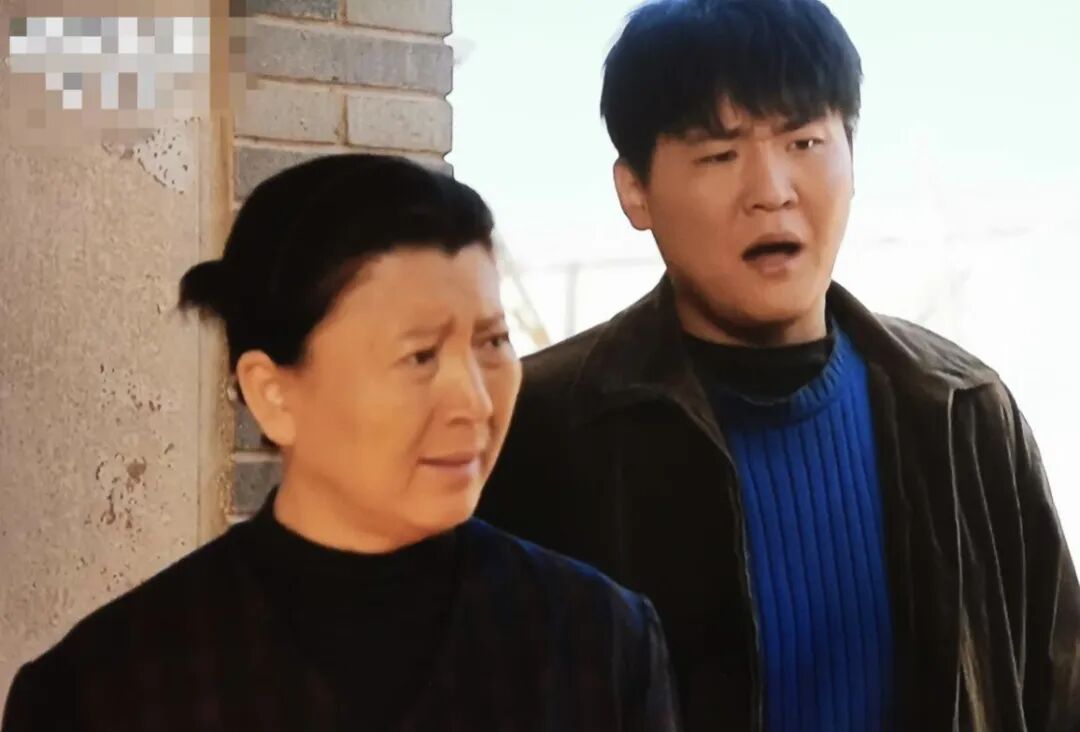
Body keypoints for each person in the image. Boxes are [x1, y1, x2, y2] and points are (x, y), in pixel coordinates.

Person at [477, 1, 1080, 730]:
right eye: (719, 155)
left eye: (804, 141)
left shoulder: (963, 411)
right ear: (635, 190)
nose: (771, 191)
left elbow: (1057, 689)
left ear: (852, 154)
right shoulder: (539, 430)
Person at [2, 154, 681, 731]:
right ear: (272, 393)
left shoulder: (599, 642)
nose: (474, 401)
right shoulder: (105, 689)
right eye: (419, 355)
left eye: (492, 342)